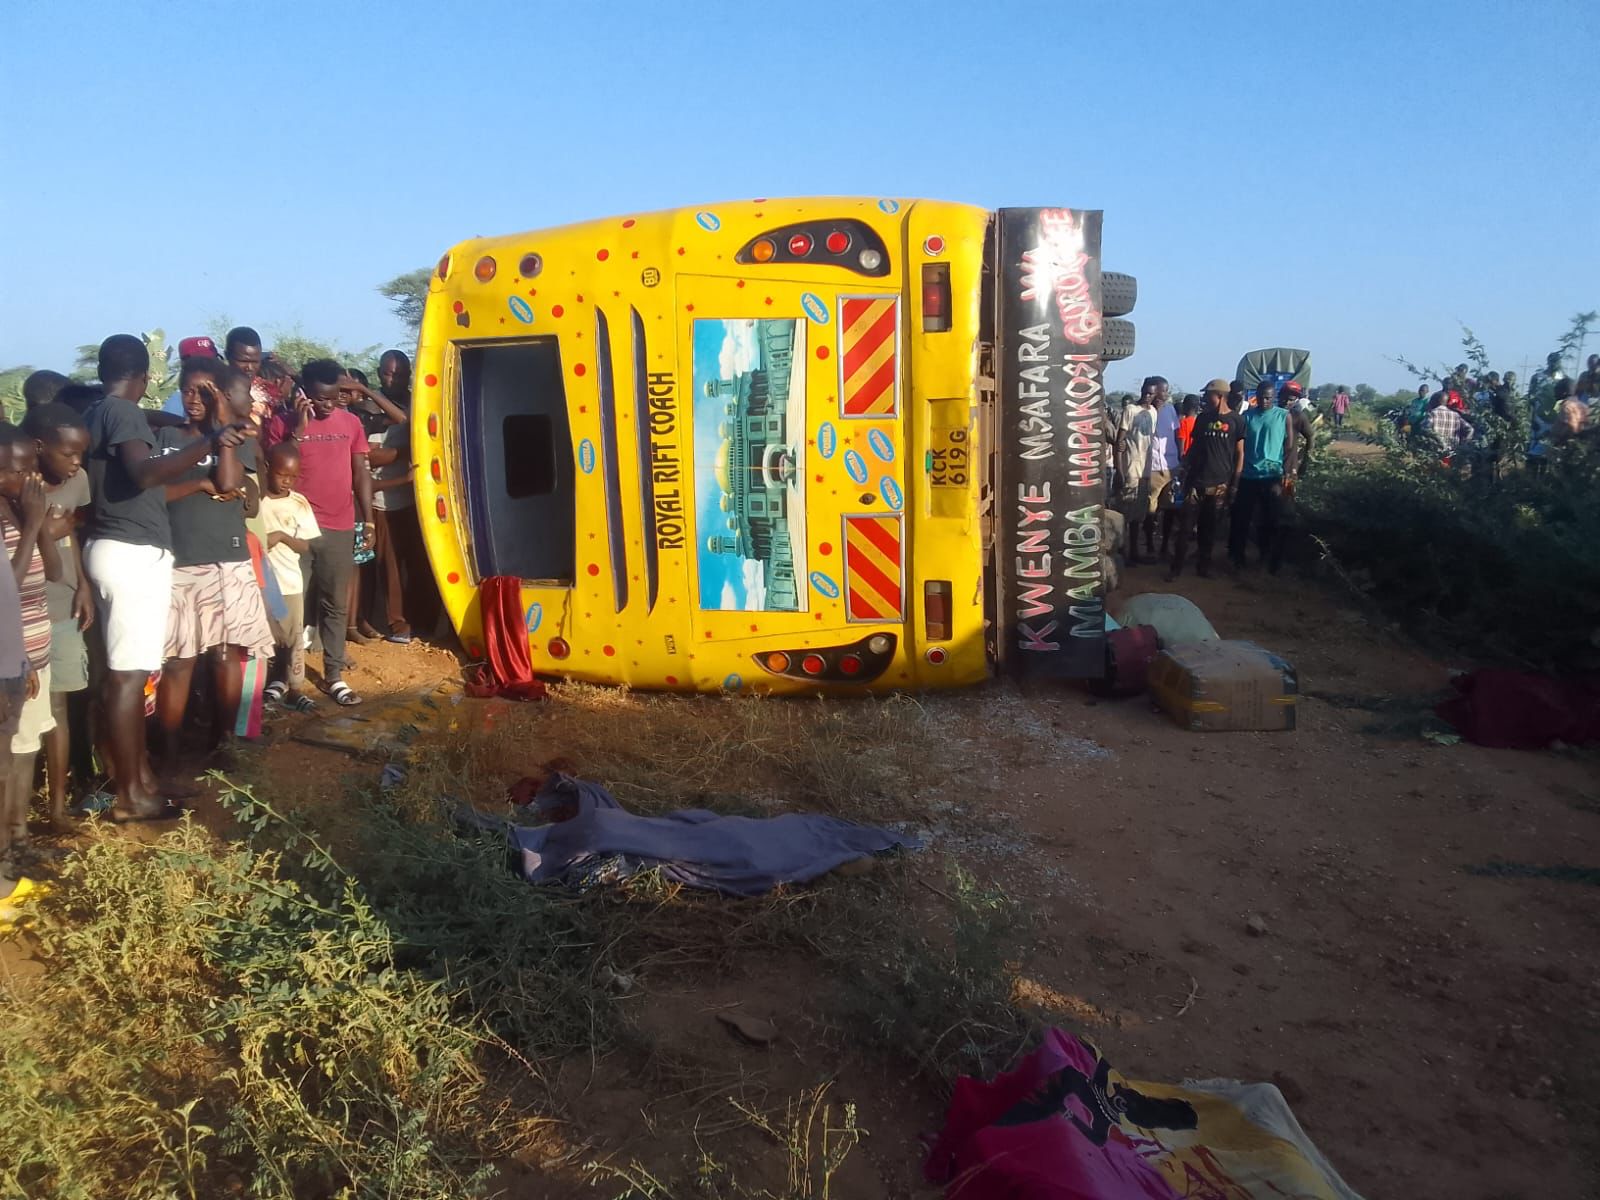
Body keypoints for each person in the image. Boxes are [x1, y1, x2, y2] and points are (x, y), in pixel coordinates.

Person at [81, 335, 246, 820]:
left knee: (122, 676)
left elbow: (141, 440)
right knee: (129, 678)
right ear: (148, 375)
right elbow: (143, 472)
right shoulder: (125, 414)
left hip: (111, 548)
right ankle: (132, 796)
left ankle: (142, 779)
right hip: (132, 552)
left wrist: (179, 424)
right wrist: (210, 441)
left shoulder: (98, 411)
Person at [152, 361, 275, 777]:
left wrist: (222, 429)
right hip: (176, 562)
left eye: (204, 392)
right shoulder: (164, 438)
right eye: (187, 390)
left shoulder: (235, 438)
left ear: (219, 397)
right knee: (178, 662)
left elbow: (227, 483)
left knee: (226, 657)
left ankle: (225, 746)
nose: (193, 398)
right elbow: (153, 492)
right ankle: (167, 752)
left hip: (226, 558)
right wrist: (195, 484)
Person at [263, 358, 373, 706]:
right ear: (303, 393)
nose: (327, 404)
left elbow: (361, 473)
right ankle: (282, 676)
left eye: (333, 396)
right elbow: (277, 466)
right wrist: (298, 426)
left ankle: (333, 675)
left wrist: (367, 519)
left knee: (335, 604)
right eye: (320, 398)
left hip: (339, 524)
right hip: (295, 531)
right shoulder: (282, 423)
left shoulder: (352, 423)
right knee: (290, 606)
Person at [22, 404, 94, 827]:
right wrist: (46, 530)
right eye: (68, 453)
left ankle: (57, 806)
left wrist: (83, 584)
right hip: (25, 613)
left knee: (59, 710)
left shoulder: (77, 480)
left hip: (65, 606)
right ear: (39, 447)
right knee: (22, 715)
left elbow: (76, 536)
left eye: (80, 453)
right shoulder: (18, 486)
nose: (77, 463)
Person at [0, 422, 61, 870]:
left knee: (24, 751)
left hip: (31, 653)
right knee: (4, 762)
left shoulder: (21, 509)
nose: (28, 479)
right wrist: (34, 521)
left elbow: (55, 572)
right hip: (10, 656)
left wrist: (36, 524)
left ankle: (17, 839)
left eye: (31, 468)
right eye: (18, 470)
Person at [259, 443, 320, 711]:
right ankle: (259, 691)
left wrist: (282, 537)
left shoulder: (298, 503)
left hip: (289, 581)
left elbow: (306, 545)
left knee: (294, 637)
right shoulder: (256, 500)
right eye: (282, 474)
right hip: (261, 582)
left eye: (292, 477)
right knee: (262, 636)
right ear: (268, 470)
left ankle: (295, 688)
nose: (286, 481)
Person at [1168, 379, 1243, 580]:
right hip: (1196, 482)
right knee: (1185, 528)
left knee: (1208, 529)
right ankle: (1176, 569)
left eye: (1208, 395)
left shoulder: (1237, 420)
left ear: (1219, 396)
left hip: (1219, 484)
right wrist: (1184, 465)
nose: (1204, 398)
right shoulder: (1202, 419)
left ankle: (1204, 568)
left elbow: (1239, 453)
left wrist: (1234, 484)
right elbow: (1195, 446)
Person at [1228, 381, 1297, 573]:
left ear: (1274, 397)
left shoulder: (1284, 416)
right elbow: (1238, 447)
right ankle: (1236, 558)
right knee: (1241, 518)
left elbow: (1289, 446)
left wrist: (1286, 470)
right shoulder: (1247, 416)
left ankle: (1266, 558)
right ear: (1256, 396)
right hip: (1248, 476)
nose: (1264, 401)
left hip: (1272, 476)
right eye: (1261, 397)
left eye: (1268, 397)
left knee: (1271, 520)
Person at [1112, 377, 1160, 567]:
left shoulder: (1153, 413)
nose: (1147, 396)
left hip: (1145, 471)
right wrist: (1120, 469)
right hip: (1131, 467)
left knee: (1138, 516)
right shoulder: (1130, 410)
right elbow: (1120, 441)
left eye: (1151, 394)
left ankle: (1134, 552)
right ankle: (1123, 553)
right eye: (1145, 392)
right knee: (1126, 513)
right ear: (1141, 390)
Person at [1280, 382, 1316, 478]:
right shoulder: (1270, 415)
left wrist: (1305, 461)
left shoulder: (1298, 417)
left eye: (1290, 400)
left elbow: (1310, 436)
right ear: (1279, 396)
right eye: (1284, 398)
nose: (1287, 402)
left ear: (1296, 400)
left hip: (1289, 467)